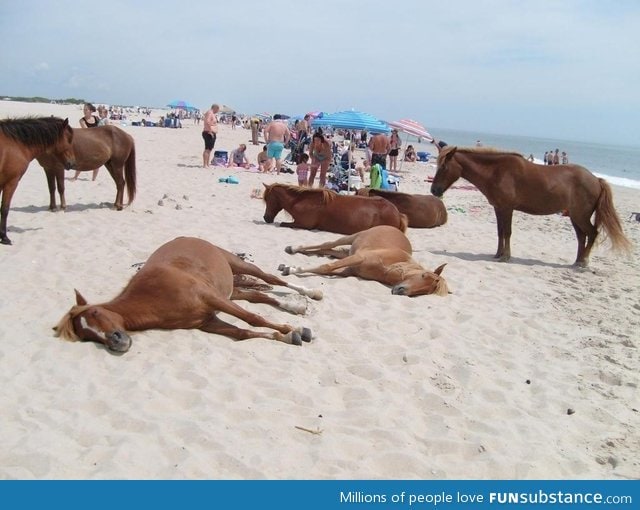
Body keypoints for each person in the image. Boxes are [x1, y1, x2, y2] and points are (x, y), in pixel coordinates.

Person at [72, 103, 100, 181]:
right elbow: (87, 131)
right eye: (84, 110)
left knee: (97, 162)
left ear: (91, 111)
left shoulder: (97, 118)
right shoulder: (82, 120)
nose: (84, 111)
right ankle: (75, 177)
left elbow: (102, 128)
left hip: (97, 142)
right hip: (87, 142)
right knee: (82, 160)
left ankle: (93, 179)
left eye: (86, 109)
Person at [202, 104, 220, 168]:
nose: (218, 111)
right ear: (215, 108)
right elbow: (208, 122)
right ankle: (205, 164)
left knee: (209, 149)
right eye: (218, 109)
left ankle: (207, 164)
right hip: (208, 132)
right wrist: (210, 131)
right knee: (207, 149)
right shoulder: (210, 112)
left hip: (210, 132)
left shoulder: (211, 113)